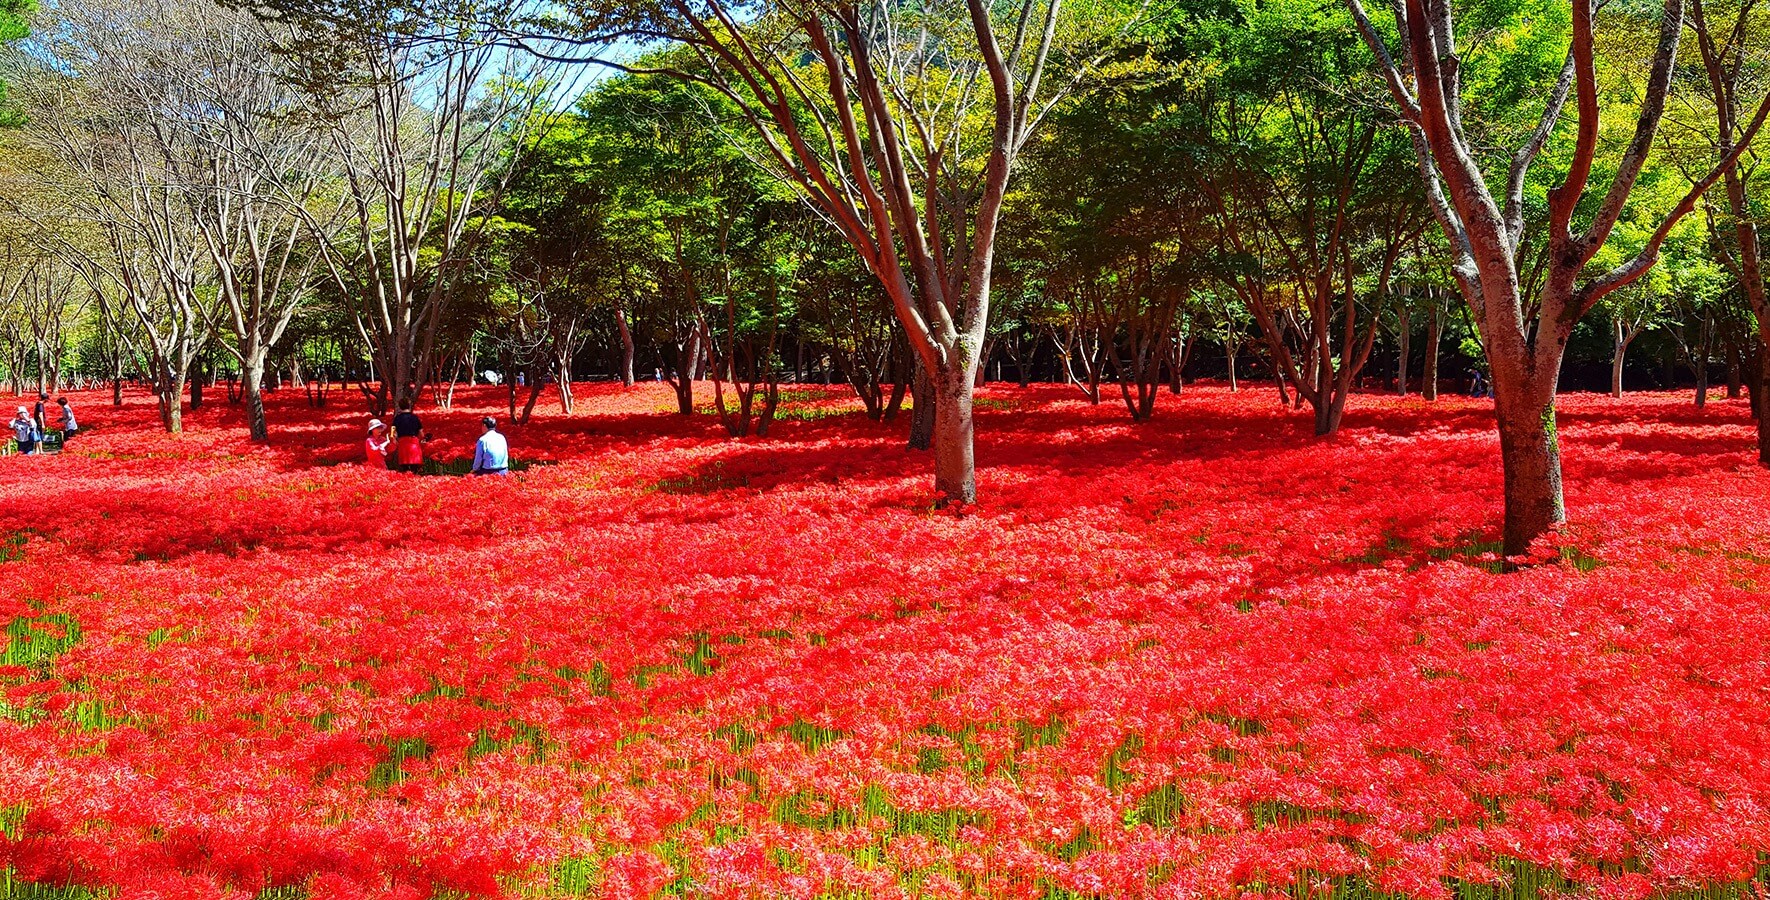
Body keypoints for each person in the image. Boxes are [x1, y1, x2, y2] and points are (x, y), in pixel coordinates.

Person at [390, 401, 424, 473]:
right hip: (414, 442)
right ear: (409, 406)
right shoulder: (415, 418)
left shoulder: (397, 418)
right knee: (415, 466)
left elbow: (392, 431)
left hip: (403, 443)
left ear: (400, 407)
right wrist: (420, 440)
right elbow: (421, 433)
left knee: (404, 466)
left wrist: (394, 440)